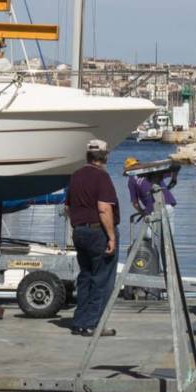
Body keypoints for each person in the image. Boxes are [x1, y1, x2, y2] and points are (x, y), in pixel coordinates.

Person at [63, 140, 119, 336]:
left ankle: (79, 322)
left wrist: (77, 226)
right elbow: (104, 209)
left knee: (85, 277)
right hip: (98, 232)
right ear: (104, 156)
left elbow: (68, 207)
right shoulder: (102, 177)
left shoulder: (76, 176)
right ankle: (93, 324)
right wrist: (111, 237)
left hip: (79, 231)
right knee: (102, 280)